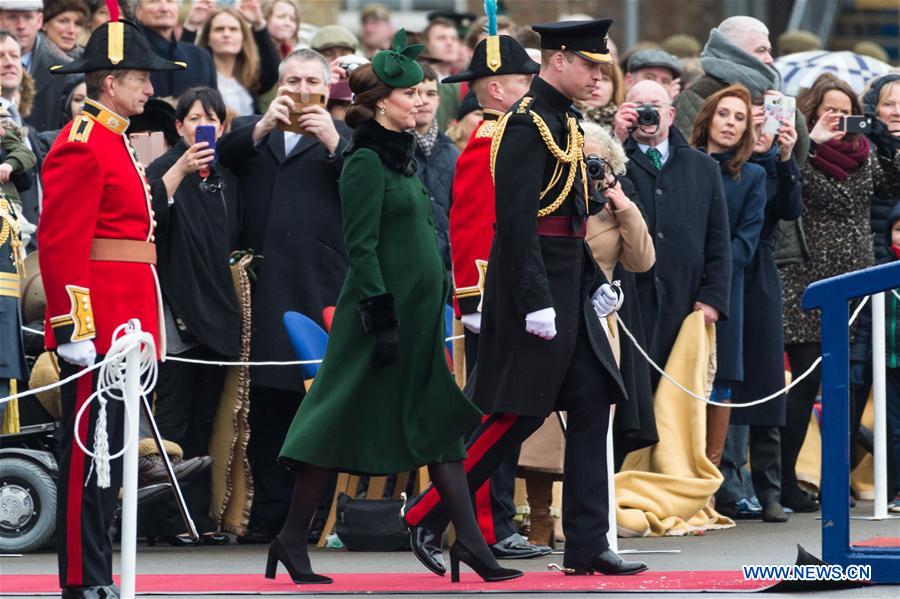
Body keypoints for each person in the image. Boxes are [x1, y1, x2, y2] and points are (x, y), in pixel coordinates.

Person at [268, 30, 520, 585]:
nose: (422, 102)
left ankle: (472, 547)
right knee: (333, 425)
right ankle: (290, 537)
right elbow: (361, 247)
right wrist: (381, 319)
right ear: (384, 102)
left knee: (438, 429)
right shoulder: (364, 161)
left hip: (417, 316)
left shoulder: (400, 155)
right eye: (411, 95)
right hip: (381, 320)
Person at [402, 18, 648, 578]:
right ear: (557, 59)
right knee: (516, 412)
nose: (596, 76)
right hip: (532, 286)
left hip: (569, 281)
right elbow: (514, 222)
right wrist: (535, 299)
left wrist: (592, 285)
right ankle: (426, 512)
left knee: (591, 401)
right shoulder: (523, 125)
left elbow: (569, 216)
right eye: (588, 65)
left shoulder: (563, 119)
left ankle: (587, 543)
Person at [38, 15, 183, 598]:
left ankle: (97, 576)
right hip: (97, 325)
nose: (149, 89)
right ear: (110, 82)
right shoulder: (83, 143)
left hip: (125, 325)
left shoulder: (115, 138)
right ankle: (82, 580)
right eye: (140, 79)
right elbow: (61, 241)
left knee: (111, 461)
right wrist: (74, 326)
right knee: (87, 464)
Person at [216, 47, 349, 544]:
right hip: (263, 289)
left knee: (314, 403)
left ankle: (312, 511)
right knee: (268, 404)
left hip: (319, 287)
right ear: (277, 83)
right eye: (291, 79)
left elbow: (366, 182)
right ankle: (270, 512)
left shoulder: (344, 136)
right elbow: (224, 157)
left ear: (325, 86)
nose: (298, 89)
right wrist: (261, 127)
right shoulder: (257, 131)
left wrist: (334, 139)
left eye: (309, 80)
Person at [518, 120, 655, 546]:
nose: (587, 169)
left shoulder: (614, 206)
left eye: (596, 162)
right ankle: (539, 516)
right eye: (581, 160)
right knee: (539, 431)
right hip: (550, 318)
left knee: (592, 424)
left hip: (599, 323)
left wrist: (622, 204)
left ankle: (586, 533)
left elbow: (642, 262)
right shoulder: (550, 200)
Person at [443, 33, 548, 560]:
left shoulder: (512, 135)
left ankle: (494, 521)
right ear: (495, 89)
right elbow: (467, 228)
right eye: (524, 81)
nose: (532, 88)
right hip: (494, 298)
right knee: (494, 417)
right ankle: (483, 524)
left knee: (509, 413)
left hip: (510, 296)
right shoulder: (491, 139)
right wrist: (472, 302)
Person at [779, 73, 900, 513]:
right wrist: (811, 139)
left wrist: (887, 140)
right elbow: (788, 184)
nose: (838, 117)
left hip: (859, 276)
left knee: (850, 385)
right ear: (812, 111)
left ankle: (839, 479)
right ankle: (785, 478)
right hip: (810, 278)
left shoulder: (866, 152)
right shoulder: (800, 148)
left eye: (845, 110)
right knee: (808, 380)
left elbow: (892, 186)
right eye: (829, 108)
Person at [140, 86, 242, 547]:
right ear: (179, 126)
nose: (204, 125)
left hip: (217, 313)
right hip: (174, 314)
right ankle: (165, 521)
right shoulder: (162, 170)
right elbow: (147, 218)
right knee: (174, 423)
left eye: (213, 119)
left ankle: (198, 518)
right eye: (194, 117)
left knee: (204, 422)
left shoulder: (227, 179)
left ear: (223, 128)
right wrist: (178, 171)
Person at [613, 79, 731, 386]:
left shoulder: (703, 166)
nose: (648, 114)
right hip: (631, 298)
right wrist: (616, 142)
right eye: (639, 107)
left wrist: (713, 297)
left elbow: (718, 239)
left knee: (677, 398)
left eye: (655, 107)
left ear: (671, 115)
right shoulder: (613, 162)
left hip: (685, 298)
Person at [726, 90, 801, 523]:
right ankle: (729, 484)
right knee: (728, 381)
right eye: (751, 120)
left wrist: (786, 157)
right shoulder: (727, 165)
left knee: (769, 380)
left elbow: (790, 209)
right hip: (727, 270)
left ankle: (769, 489)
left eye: (765, 119)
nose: (761, 128)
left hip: (761, 273)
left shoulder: (776, 164)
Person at [689, 84, 766, 485]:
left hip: (725, 292)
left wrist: (711, 284)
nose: (730, 123)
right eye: (724, 114)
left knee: (719, 384)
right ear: (708, 118)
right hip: (678, 290)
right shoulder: (684, 164)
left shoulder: (752, 176)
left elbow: (745, 242)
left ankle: (710, 484)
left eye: (740, 117)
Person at [673, 16, 810, 164]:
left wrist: (790, 115)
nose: (769, 59)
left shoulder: (769, 97)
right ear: (733, 52)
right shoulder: (699, 95)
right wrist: (744, 132)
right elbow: (687, 163)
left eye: (769, 50)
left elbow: (797, 162)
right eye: (761, 50)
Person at [851, 203, 900, 513]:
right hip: (889, 364)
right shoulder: (877, 273)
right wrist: (858, 361)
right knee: (893, 429)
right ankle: (895, 490)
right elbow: (866, 321)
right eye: (898, 229)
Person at [0, 0, 73, 132]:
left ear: (40, 20)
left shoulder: (65, 71)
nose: (21, 26)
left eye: (28, 17)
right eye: (12, 17)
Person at [412, 61, 456, 274]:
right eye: (415, 93)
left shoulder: (453, 154)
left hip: (448, 269)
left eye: (430, 94)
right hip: (410, 268)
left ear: (439, 99)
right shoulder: (391, 151)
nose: (423, 101)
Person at [196, 5, 280, 116]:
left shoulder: (249, 78)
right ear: (208, 39)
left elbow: (273, 71)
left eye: (233, 29)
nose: (226, 34)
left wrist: (259, 24)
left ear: (243, 38)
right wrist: (191, 25)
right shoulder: (198, 77)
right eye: (219, 29)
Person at [134, 0, 216, 99]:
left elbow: (214, 107)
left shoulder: (200, 57)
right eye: (154, 1)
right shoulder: (126, 55)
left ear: (178, 9)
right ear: (138, 12)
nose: (164, 8)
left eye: (170, 1)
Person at [862, 74, 900, 260]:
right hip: (872, 260)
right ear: (872, 111)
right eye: (888, 104)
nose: (897, 112)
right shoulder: (860, 151)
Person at [578, 59, 624, 131]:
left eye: (605, 79)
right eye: (590, 76)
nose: (597, 85)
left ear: (615, 87)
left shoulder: (625, 123)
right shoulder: (564, 117)